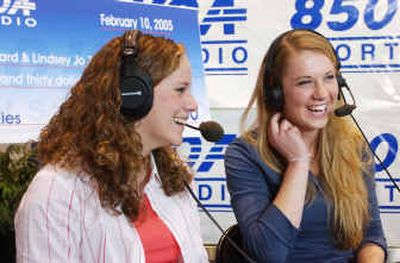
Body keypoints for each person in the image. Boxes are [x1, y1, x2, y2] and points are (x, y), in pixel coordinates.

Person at [14, 30, 208, 262]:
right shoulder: (56, 192)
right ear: (133, 96)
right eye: (180, 90)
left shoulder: (173, 179)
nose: (193, 104)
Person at [224, 29, 387, 262]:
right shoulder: (245, 155)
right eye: (305, 82)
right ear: (276, 92)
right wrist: (298, 162)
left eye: (329, 78)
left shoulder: (353, 147)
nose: (322, 94)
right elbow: (269, 254)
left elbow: (371, 237)